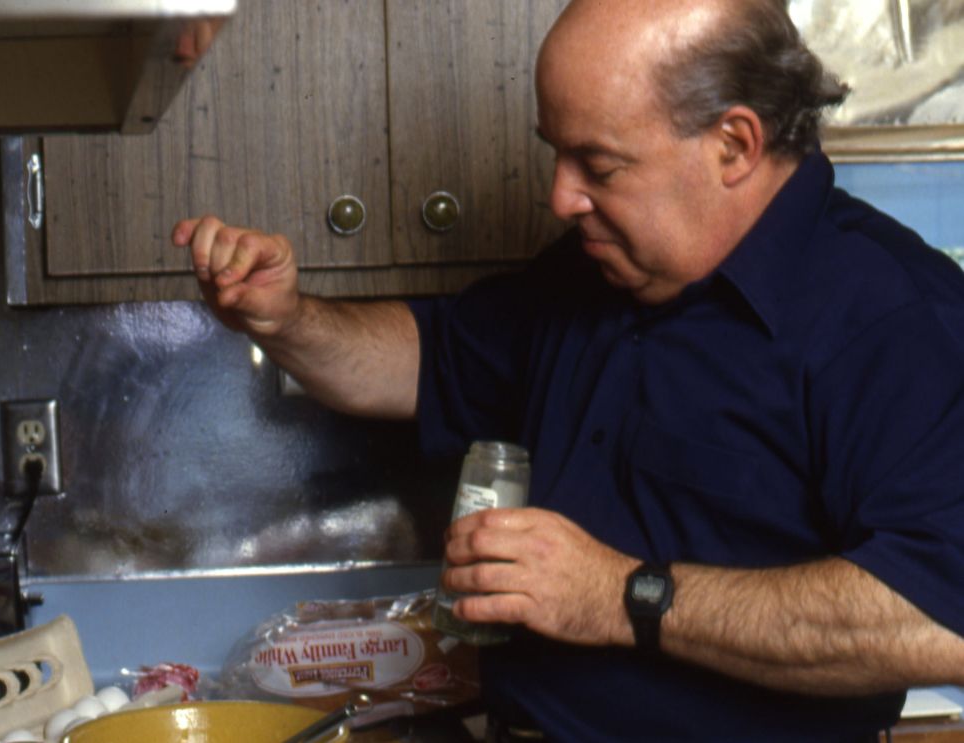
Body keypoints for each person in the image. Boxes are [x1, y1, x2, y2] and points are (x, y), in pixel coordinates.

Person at [171, 0, 964, 739]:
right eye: (556, 152)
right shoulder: (592, 271)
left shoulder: (897, 319)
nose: (560, 197)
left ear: (734, 144)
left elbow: (942, 620)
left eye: (599, 164)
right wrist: (285, 318)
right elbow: (420, 362)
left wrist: (621, 595)